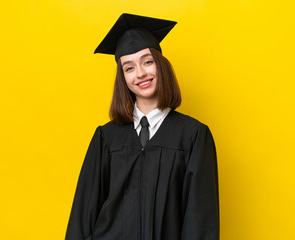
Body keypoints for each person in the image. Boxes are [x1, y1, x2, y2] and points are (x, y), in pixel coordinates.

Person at [65, 13, 219, 240]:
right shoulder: (106, 138)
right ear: (123, 78)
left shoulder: (193, 136)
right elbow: (83, 214)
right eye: (129, 68)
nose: (140, 74)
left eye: (148, 62)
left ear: (161, 65)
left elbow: (200, 219)